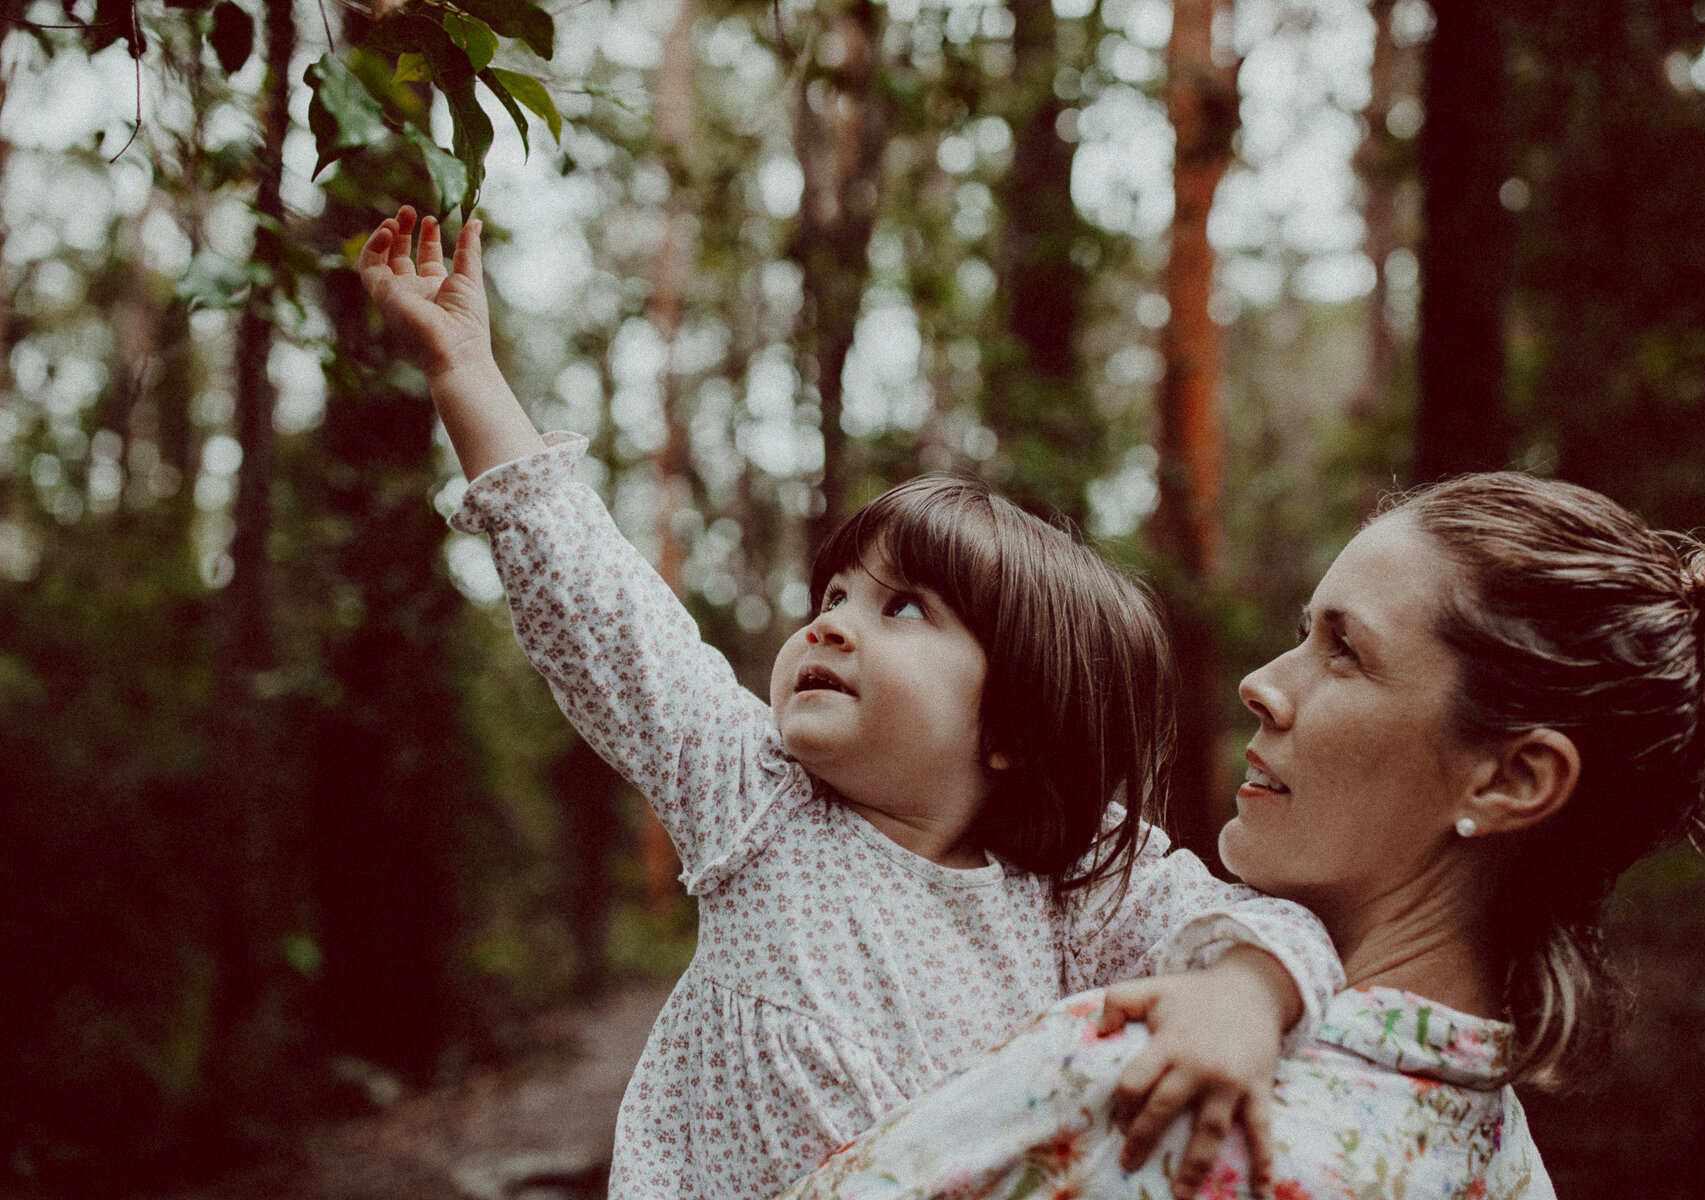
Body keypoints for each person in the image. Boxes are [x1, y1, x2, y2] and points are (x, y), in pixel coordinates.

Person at [357, 207, 1346, 1199]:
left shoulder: (1071, 885)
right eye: (834, 596)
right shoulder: (757, 799)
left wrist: (1244, 999)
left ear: (1012, 722)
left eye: (903, 609)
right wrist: (464, 370)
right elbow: (598, 605)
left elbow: (1262, 926)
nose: (831, 624)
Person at [779, 470, 1705, 1199]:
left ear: (1513, 777)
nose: (1263, 685)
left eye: (1344, 651)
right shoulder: (1504, 1162)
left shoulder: (1155, 1093)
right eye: (1304, 632)